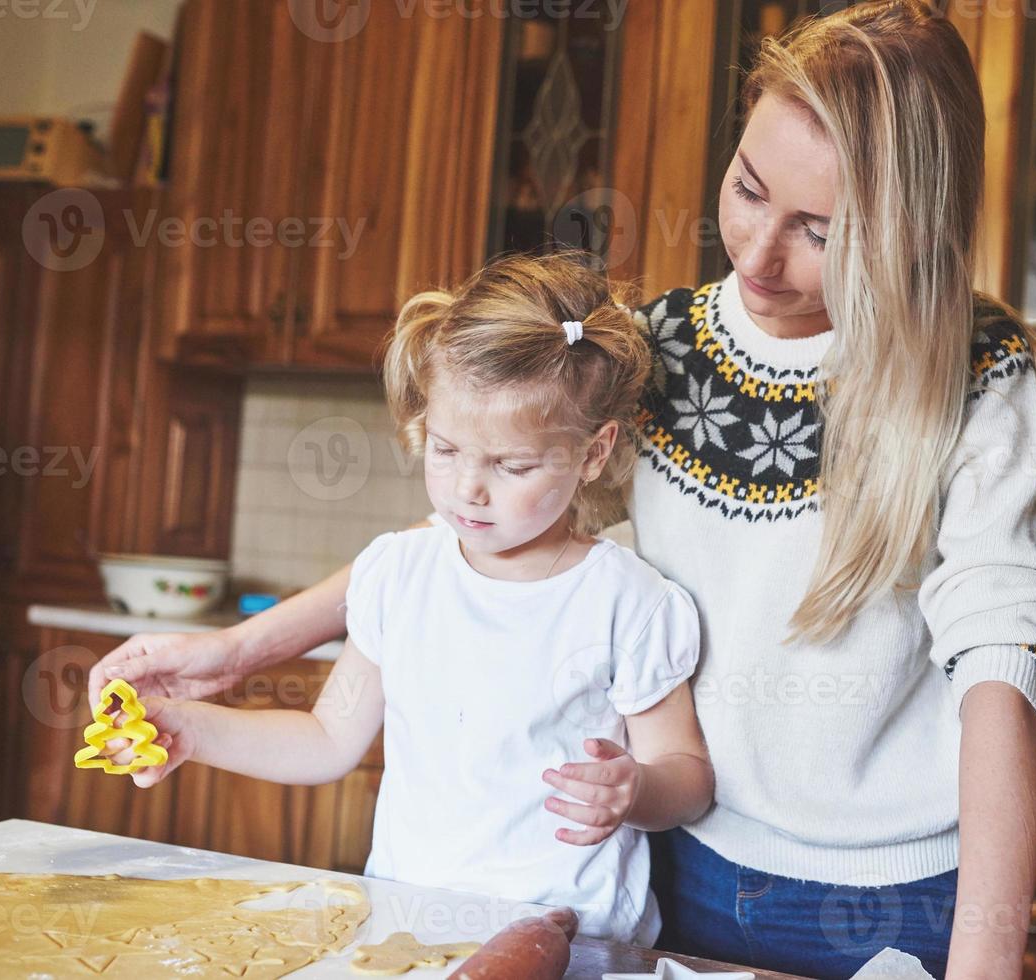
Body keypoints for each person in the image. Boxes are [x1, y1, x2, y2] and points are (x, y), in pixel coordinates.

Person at [90, 3, 1036, 976]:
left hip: (888, 902)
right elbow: (471, 535)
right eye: (745, 188)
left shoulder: (972, 370)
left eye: (818, 230)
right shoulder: (663, 347)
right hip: (676, 865)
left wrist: (986, 960)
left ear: (904, 227)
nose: (757, 251)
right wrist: (230, 650)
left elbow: (999, 668)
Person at [95, 253, 714, 947]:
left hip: (574, 942)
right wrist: (185, 727)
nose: (467, 490)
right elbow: (328, 739)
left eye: (511, 465)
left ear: (592, 454)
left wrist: (634, 790)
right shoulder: (401, 572)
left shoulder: (626, 599)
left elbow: (687, 779)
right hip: (408, 932)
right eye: (445, 450)